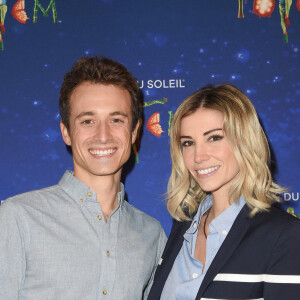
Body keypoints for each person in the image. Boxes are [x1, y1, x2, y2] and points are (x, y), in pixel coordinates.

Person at [0, 56, 167, 299]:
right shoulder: (17, 218)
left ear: (134, 131)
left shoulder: (152, 234)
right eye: (88, 121)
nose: (103, 135)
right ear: (66, 132)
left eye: (116, 120)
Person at [148, 83, 300, 300]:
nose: (198, 156)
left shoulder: (284, 236)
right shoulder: (183, 227)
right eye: (188, 143)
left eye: (214, 138)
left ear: (244, 140)